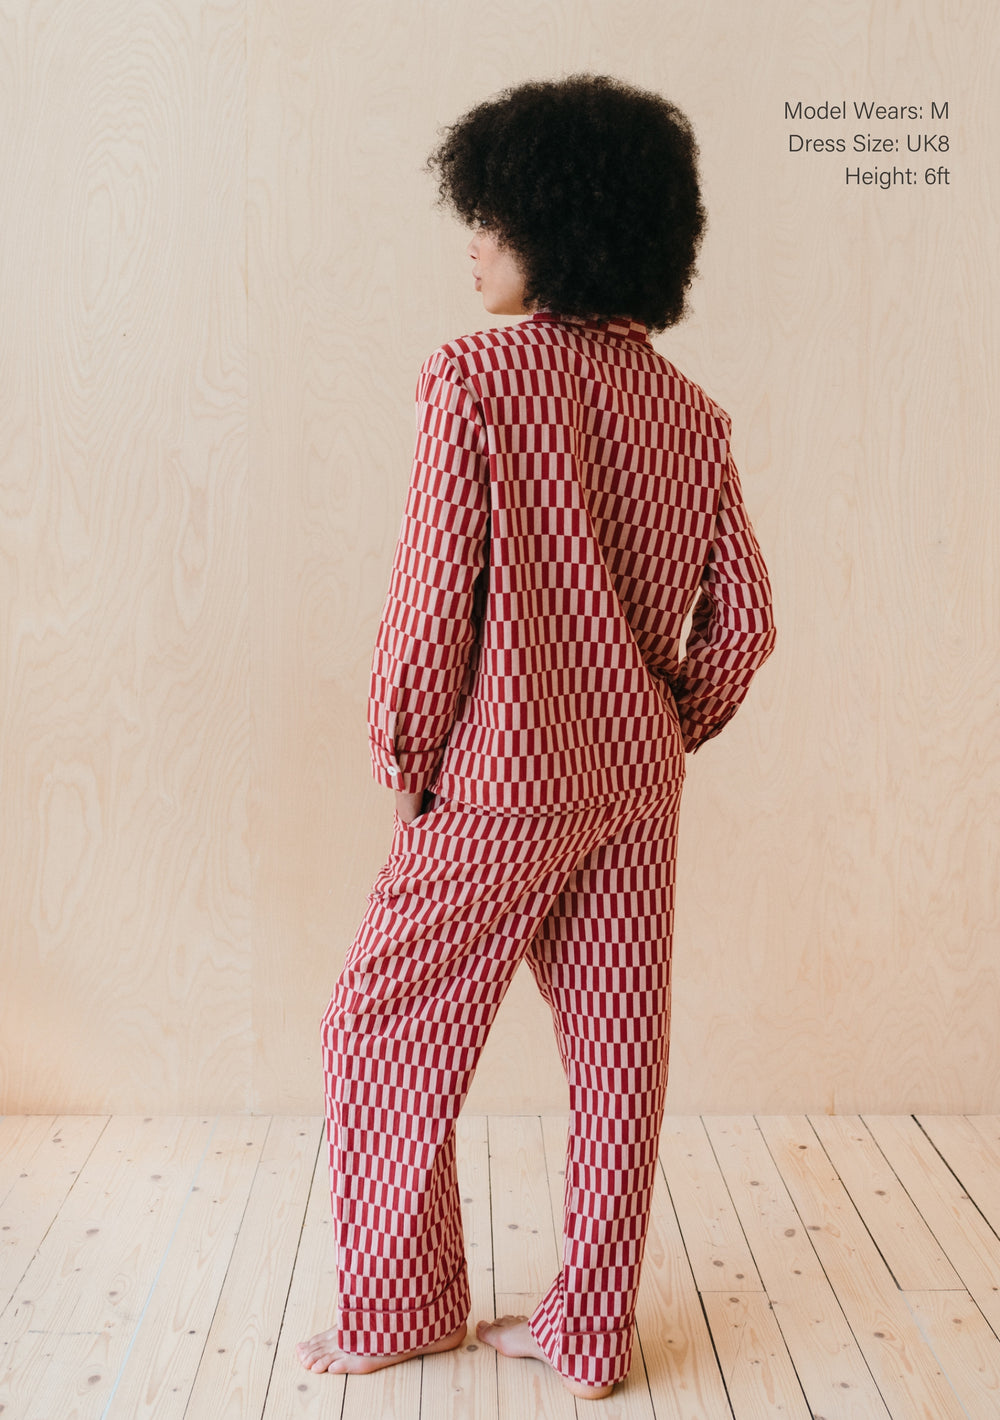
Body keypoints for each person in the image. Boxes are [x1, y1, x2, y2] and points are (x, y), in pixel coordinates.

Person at [297, 74, 775, 1400]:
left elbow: (427, 594)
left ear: (558, 231)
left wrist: (405, 755)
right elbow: (744, 627)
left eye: (492, 217)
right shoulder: (693, 416)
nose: (472, 241)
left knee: (378, 1027)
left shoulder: (475, 380)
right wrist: (659, 724)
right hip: (635, 783)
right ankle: (589, 1333)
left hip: (501, 781)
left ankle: (399, 1309)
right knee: (622, 1050)